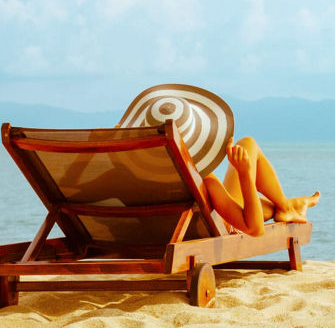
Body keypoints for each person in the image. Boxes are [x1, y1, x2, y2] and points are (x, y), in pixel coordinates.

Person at [117, 84, 320, 237]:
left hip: (161, 233)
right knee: (248, 144)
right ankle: (286, 206)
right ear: (194, 137)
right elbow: (255, 229)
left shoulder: (126, 173)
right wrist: (244, 173)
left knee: (250, 159)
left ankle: (288, 206)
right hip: (218, 224)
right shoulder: (202, 180)